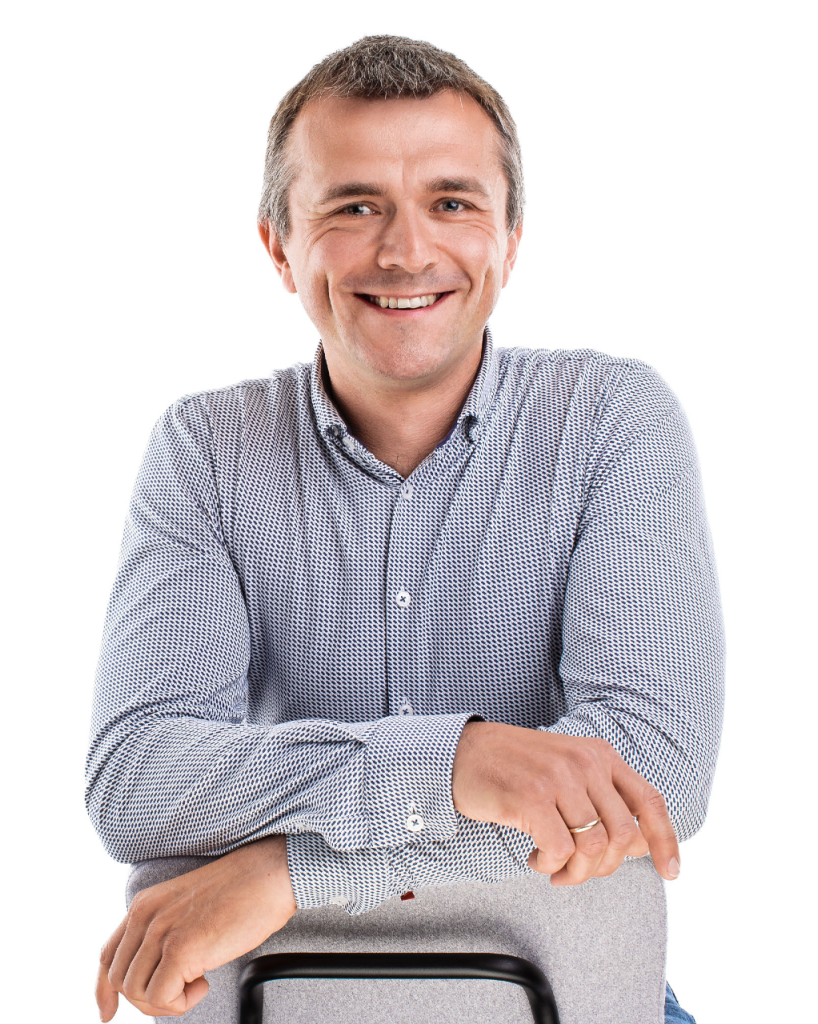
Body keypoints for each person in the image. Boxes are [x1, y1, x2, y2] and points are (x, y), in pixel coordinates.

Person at [88, 35, 723, 1023]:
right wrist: (459, 768)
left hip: (571, 997)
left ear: (510, 238)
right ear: (278, 245)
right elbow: (137, 777)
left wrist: (292, 869)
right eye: (354, 207)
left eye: (452, 202)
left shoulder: (611, 421)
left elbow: (649, 770)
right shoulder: (205, 451)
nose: (406, 251)